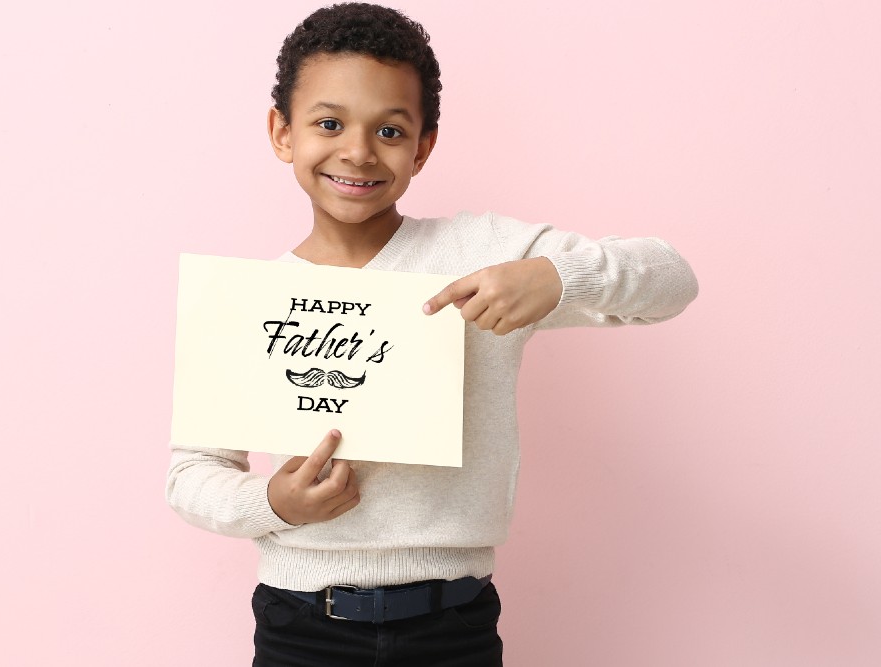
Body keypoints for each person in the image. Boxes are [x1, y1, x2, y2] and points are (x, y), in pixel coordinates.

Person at [166, 3, 698, 665]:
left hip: (453, 622)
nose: (357, 151)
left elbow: (671, 278)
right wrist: (271, 500)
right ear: (283, 132)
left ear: (423, 145)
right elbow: (191, 472)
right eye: (329, 123)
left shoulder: (483, 252)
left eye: (389, 130)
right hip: (301, 622)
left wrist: (554, 276)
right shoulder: (249, 302)